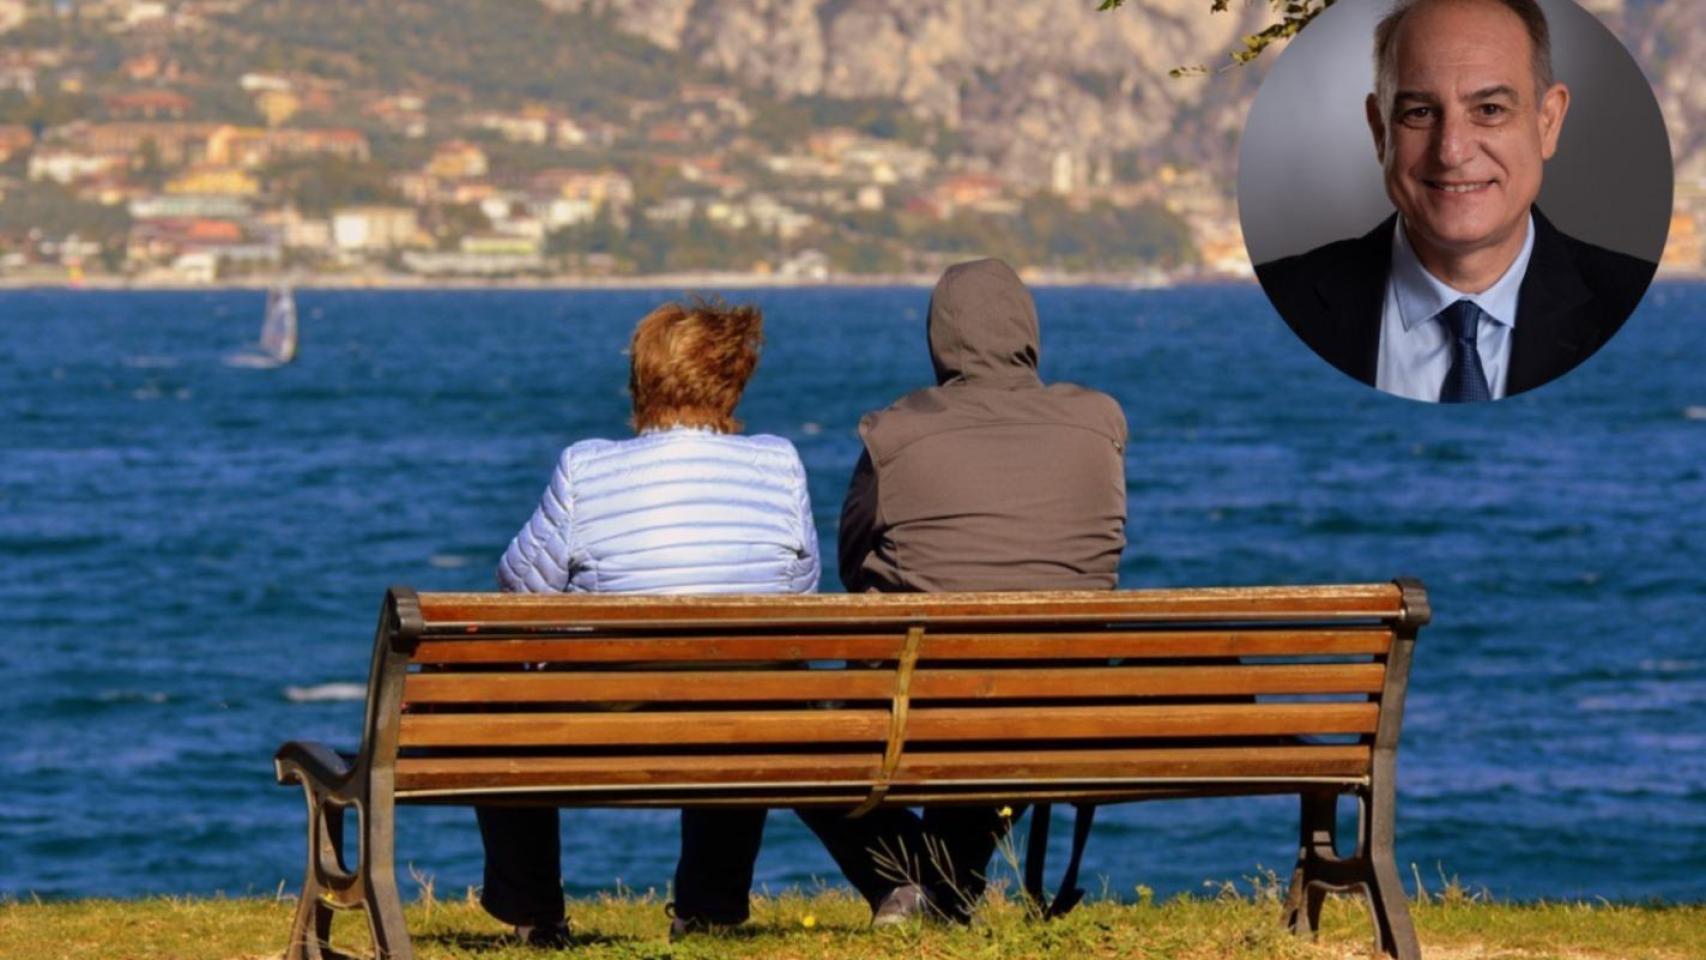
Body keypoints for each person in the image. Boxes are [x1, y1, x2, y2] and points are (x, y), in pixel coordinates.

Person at [482, 297, 819, 945]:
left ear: (642, 380)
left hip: (609, 724)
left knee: (496, 711)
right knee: (747, 678)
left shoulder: (586, 467)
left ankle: (536, 915)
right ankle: (711, 909)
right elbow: (796, 590)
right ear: (733, 379)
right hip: (743, 719)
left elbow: (519, 584)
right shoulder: (779, 463)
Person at [806, 257, 1128, 922]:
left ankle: (908, 886)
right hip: (1065, 699)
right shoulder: (1098, 424)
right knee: (1007, 694)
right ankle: (942, 892)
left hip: (923, 694)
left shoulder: (894, 434)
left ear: (939, 338)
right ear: (1027, 330)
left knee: (795, 723)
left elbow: (850, 559)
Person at [1255, 0, 1657, 402]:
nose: (1451, 151)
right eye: (1421, 112)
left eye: (1489, 110)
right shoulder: (1281, 301)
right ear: (1380, 131)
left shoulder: (1635, 304)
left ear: (1548, 122)